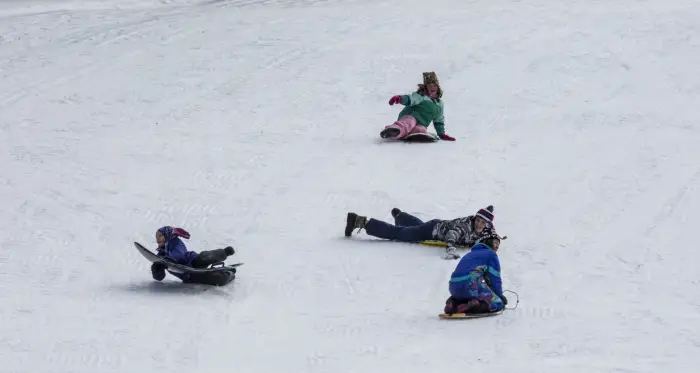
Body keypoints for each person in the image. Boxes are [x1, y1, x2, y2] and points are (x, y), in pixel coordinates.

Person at [344, 205, 495, 259]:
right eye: (479, 220)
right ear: (475, 218)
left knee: (416, 227)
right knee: (397, 233)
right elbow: (452, 235)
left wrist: (494, 241)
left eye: (483, 222)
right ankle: (359, 221)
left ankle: (400, 216)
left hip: (433, 226)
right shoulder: (465, 226)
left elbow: (492, 234)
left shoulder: (483, 228)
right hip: (431, 231)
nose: (480, 224)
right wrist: (450, 248)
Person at [443, 228, 508, 315]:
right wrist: (499, 296)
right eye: (496, 242)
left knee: (467, 295)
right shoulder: (491, 254)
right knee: (498, 303)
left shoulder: (469, 254)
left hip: (454, 286)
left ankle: (453, 303)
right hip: (471, 283)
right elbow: (495, 279)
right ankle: (472, 307)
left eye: (498, 245)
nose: (497, 247)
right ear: (487, 240)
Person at [380, 71, 456, 141]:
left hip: (421, 123)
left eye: (434, 85)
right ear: (426, 88)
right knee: (409, 122)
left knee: (421, 129)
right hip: (410, 116)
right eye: (429, 86)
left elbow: (438, 120)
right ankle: (394, 130)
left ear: (438, 87)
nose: (432, 87)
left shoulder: (439, 104)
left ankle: (412, 135)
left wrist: (441, 134)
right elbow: (411, 99)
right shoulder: (421, 96)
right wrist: (400, 98)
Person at [151, 226, 236, 286]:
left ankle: (224, 252)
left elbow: (180, 255)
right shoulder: (161, 255)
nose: (157, 239)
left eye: (160, 236)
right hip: (189, 276)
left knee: (204, 256)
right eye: (156, 237)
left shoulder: (175, 242)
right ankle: (230, 273)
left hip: (193, 261)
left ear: (167, 234)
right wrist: (157, 268)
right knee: (218, 279)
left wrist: (167, 258)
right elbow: (159, 277)